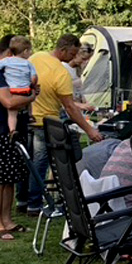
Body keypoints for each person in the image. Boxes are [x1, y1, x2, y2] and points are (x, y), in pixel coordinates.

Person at [20, 34, 104, 215]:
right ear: (63, 49)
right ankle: (34, 205)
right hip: (46, 123)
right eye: (72, 53)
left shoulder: (36, 57)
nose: (74, 57)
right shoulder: (60, 73)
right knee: (40, 164)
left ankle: (22, 200)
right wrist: (90, 130)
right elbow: (70, 108)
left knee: (27, 161)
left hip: (28, 119)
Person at [0, 37, 39, 240]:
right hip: (0, 132)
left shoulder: (4, 71)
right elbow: (9, 102)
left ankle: (8, 221)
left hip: (13, 131)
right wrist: (31, 96)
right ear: (9, 53)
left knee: (10, 178)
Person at [0, 35, 37, 137]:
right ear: (25, 51)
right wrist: (33, 86)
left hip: (13, 90)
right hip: (25, 90)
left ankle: (12, 130)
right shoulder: (28, 63)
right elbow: (34, 78)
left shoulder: (7, 61)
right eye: (30, 51)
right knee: (29, 102)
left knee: (12, 114)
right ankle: (30, 115)